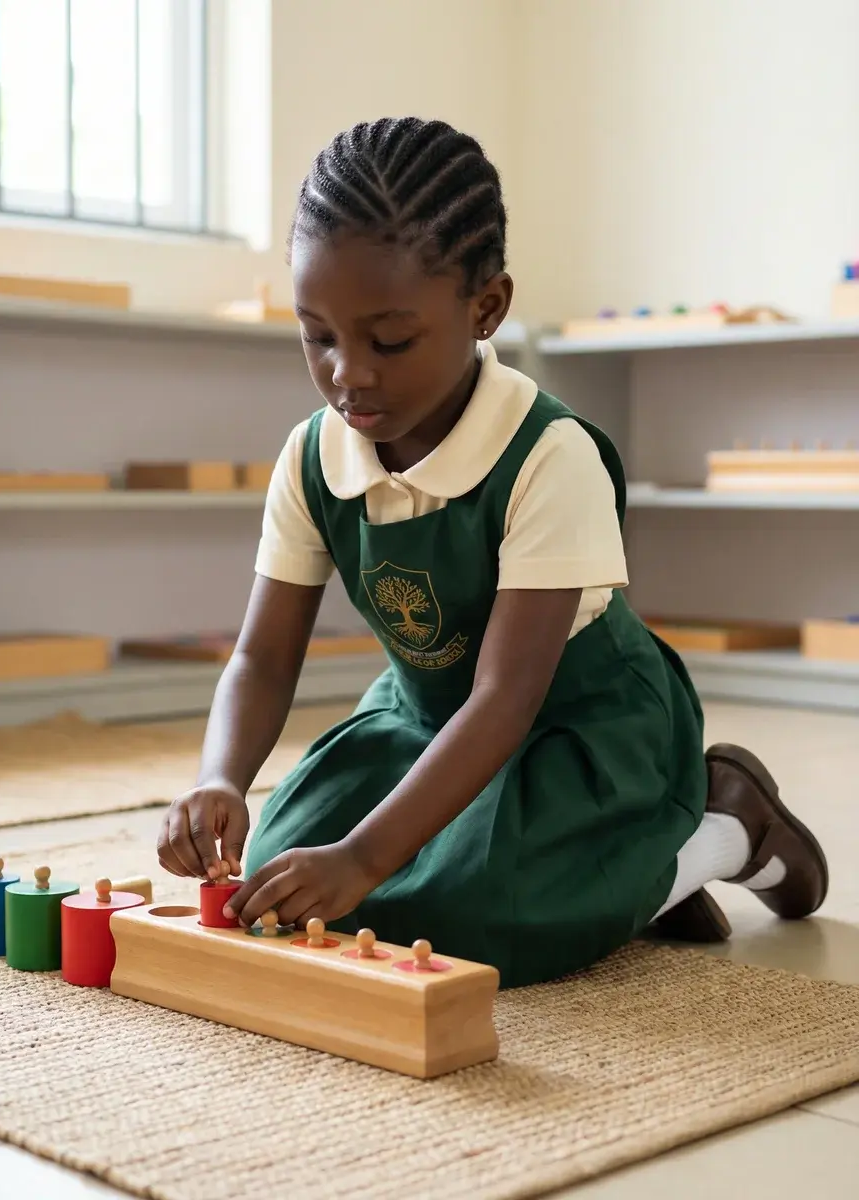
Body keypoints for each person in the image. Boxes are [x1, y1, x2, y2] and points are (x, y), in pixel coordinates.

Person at [156, 117, 828, 988]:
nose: (348, 374)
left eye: (388, 341)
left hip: (579, 725)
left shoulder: (549, 456)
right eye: (317, 335)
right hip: (428, 719)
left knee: (472, 914)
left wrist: (365, 853)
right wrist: (221, 780)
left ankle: (723, 826)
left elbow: (508, 700)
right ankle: (621, 882)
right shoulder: (313, 454)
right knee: (284, 875)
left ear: (486, 308)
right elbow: (262, 654)